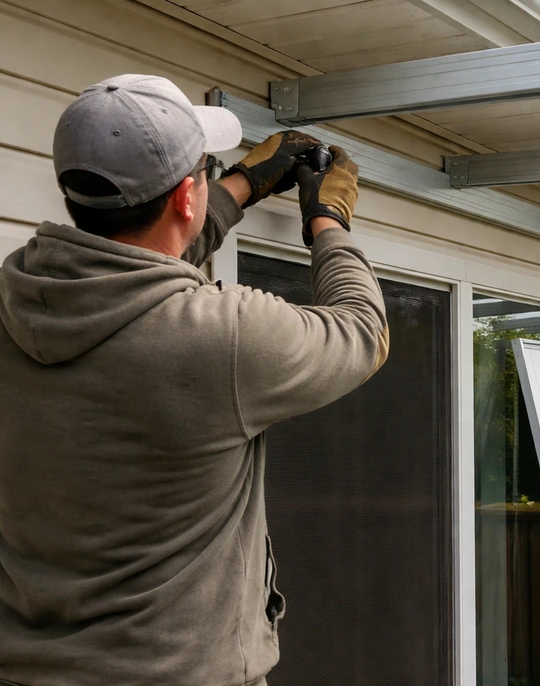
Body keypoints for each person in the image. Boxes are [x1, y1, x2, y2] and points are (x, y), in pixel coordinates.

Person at [0, 74, 390, 685]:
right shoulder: (223, 338)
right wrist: (328, 221)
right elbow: (361, 331)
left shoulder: (13, 301)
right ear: (186, 197)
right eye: (206, 171)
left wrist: (239, 186)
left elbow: (134, 271)